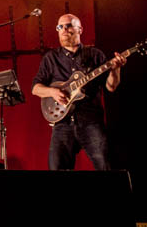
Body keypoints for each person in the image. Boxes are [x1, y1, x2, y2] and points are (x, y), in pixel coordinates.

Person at [31, 13, 126, 170]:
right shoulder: (51, 58)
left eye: (68, 25)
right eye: (60, 27)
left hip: (91, 122)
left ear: (80, 29)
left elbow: (111, 87)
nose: (64, 29)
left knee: (106, 168)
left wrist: (116, 70)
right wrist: (53, 92)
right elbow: (35, 88)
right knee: (56, 170)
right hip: (62, 124)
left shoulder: (95, 55)